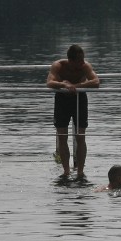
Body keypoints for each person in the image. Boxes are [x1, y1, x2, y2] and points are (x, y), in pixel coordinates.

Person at [47, 44, 99, 178]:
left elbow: (96, 82)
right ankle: (66, 171)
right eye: (79, 60)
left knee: (80, 136)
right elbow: (49, 82)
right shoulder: (59, 65)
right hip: (62, 100)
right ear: (70, 60)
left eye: (83, 59)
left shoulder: (85, 66)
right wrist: (63, 84)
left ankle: (80, 171)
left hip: (79, 99)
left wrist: (76, 86)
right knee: (62, 136)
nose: (82, 62)